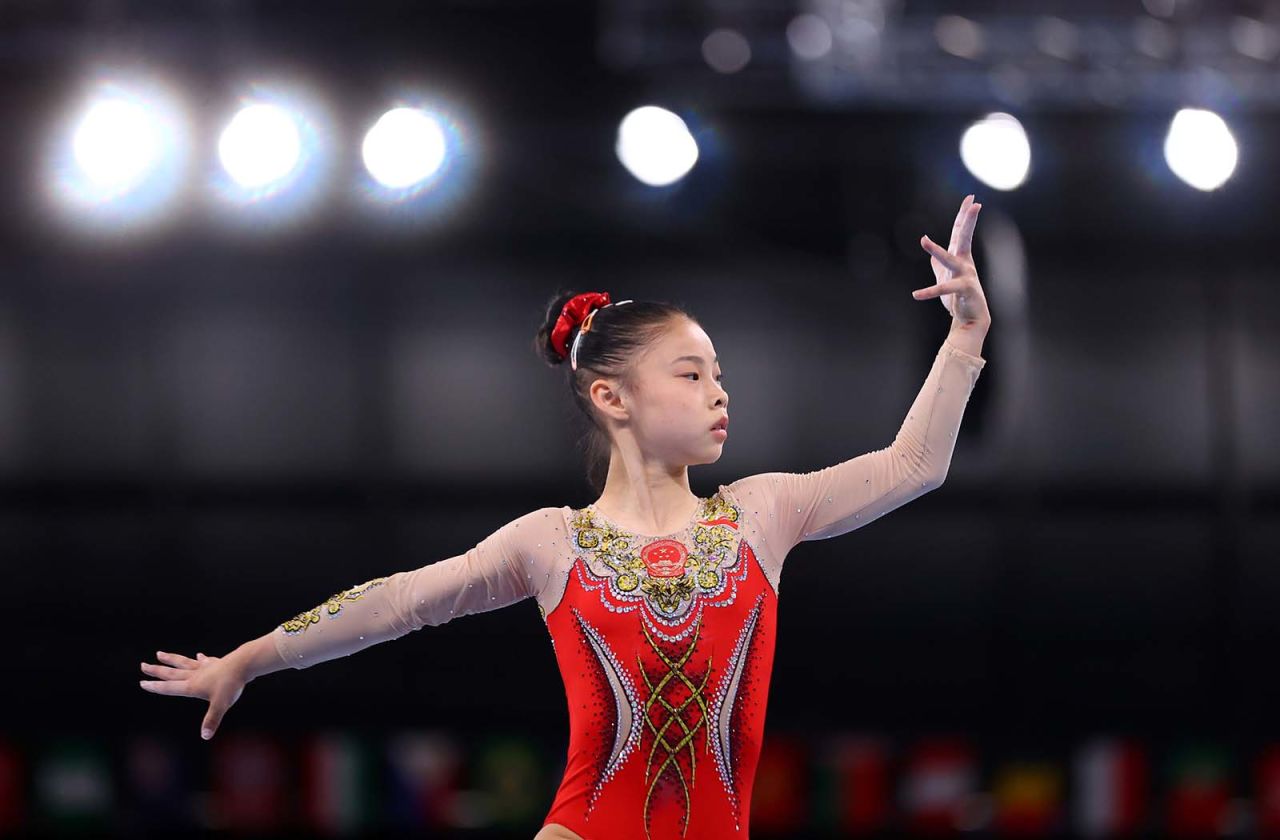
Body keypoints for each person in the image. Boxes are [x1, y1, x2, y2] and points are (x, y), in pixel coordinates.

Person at [140, 195, 991, 840]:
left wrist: (963, 338)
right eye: (691, 374)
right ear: (611, 396)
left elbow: (913, 464)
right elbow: (398, 602)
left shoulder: (762, 514)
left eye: (719, 373)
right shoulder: (551, 543)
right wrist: (250, 659)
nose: (720, 391)